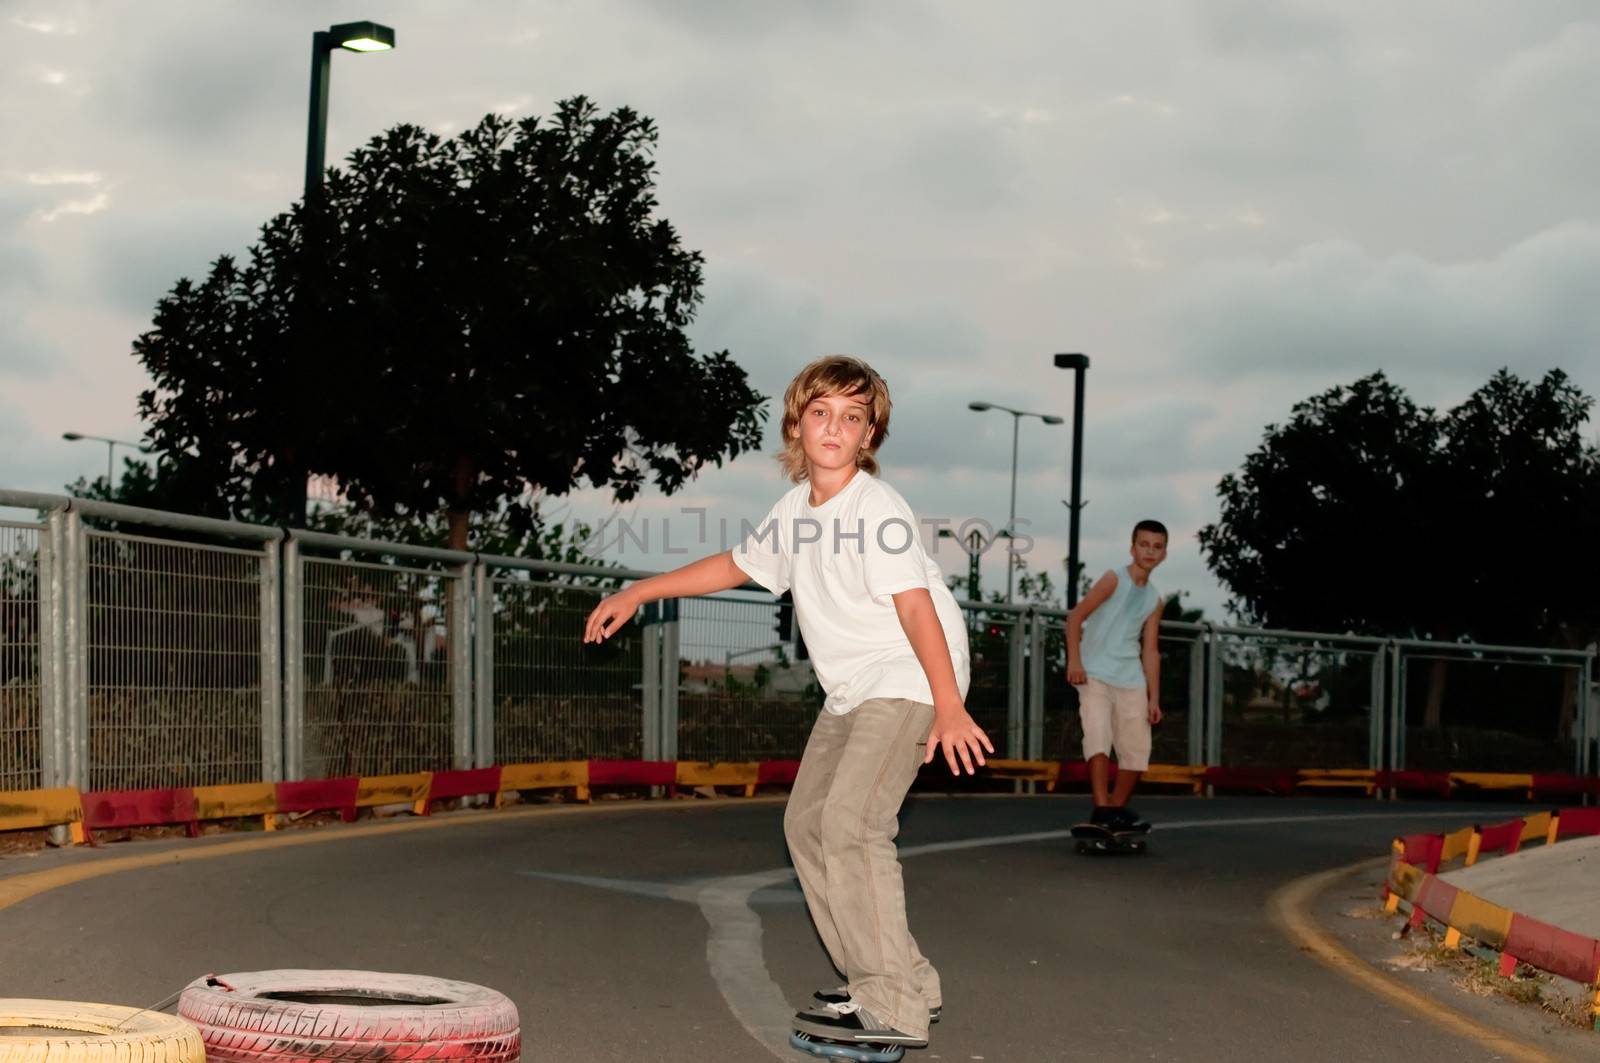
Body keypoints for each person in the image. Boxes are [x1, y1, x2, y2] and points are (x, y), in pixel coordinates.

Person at [583, 355, 990, 1055]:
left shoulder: (876, 507)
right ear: (798, 424)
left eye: (853, 417)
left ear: (868, 438)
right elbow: (736, 564)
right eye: (822, 412)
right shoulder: (795, 512)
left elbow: (918, 610)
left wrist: (949, 706)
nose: (835, 426)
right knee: (806, 824)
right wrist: (640, 591)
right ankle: (898, 978)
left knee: (853, 824)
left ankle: (889, 1000)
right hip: (853, 687)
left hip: (912, 675)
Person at [1064, 520, 1169, 828]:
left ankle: (1114, 809)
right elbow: (1075, 618)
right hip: (1094, 672)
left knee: (1136, 748)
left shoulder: (1154, 599)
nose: (1150, 551)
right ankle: (1102, 807)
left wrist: (1154, 697)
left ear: (1164, 554)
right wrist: (1075, 661)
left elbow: (1150, 650)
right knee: (1098, 735)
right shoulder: (1114, 579)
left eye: (1157, 546)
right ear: (1132, 547)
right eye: (1144, 544)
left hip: (1131, 677)